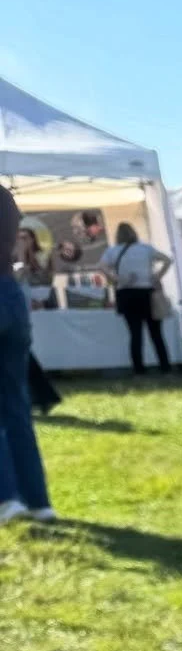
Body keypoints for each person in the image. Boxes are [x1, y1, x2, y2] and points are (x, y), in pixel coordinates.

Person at [0, 186, 56, 522]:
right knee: (17, 405)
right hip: (11, 294)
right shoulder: (5, 197)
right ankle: (38, 501)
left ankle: (7, 498)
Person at [101, 222, 173, 375]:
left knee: (135, 333)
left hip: (126, 293)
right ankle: (165, 366)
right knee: (156, 333)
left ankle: (139, 368)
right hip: (147, 292)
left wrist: (116, 278)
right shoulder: (146, 249)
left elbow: (102, 266)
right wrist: (157, 276)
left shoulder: (113, 251)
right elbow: (167, 260)